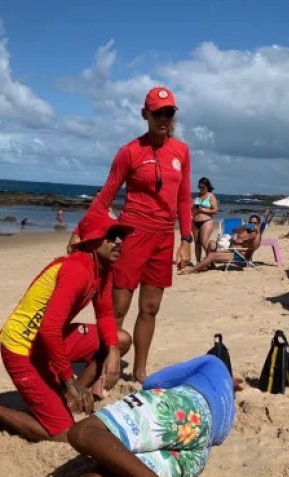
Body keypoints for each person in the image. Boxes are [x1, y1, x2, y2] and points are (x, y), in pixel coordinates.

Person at [0, 213, 134, 442]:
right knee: (65, 434)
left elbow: (105, 313)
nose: (119, 241)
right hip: (21, 348)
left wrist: (114, 349)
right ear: (94, 240)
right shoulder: (77, 269)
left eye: (121, 236)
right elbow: (48, 329)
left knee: (121, 338)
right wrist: (68, 382)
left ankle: (75, 392)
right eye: (111, 236)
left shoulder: (103, 270)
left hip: (48, 340)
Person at [68, 87, 193, 384]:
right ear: (145, 114)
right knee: (118, 308)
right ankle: (100, 371)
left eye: (169, 112)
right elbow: (106, 195)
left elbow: (184, 199)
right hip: (132, 235)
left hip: (164, 237)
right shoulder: (129, 152)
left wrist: (186, 240)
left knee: (150, 308)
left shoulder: (182, 151)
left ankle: (139, 372)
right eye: (157, 112)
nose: (164, 118)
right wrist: (79, 231)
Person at [67, 354, 239, 477]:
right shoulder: (230, 410)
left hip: (188, 409)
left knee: (82, 432)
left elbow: (152, 382)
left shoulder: (213, 362)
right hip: (197, 455)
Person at [180, 214, 262, 274]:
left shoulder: (256, 235)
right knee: (211, 244)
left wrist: (258, 232)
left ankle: (193, 270)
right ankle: (210, 265)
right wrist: (243, 227)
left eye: (255, 223)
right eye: (251, 222)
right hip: (229, 249)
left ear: (258, 224)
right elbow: (234, 231)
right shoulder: (246, 230)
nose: (252, 224)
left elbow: (255, 246)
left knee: (212, 255)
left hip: (238, 255)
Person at [192, 177, 218, 262]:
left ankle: (210, 260)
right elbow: (194, 209)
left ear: (207, 186)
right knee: (197, 243)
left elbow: (215, 210)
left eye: (203, 187)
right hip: (195, 221)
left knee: (204, 242)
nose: (201, 189)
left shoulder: (211, 196)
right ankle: (198, 262)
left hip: (206, 221)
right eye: (199, 187)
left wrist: (203, 210)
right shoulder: (198, 195)